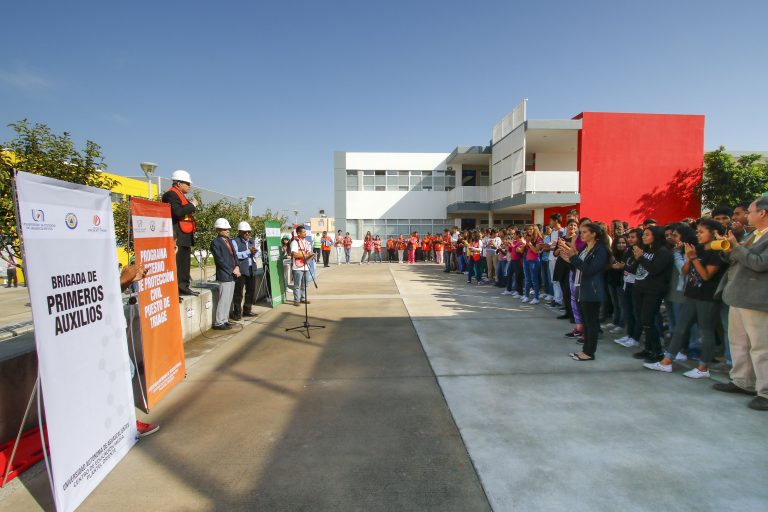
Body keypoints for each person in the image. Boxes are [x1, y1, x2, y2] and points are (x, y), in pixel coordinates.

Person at [644, 218, 726, 378]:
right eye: (698, 231)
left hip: (707, 297)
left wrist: (694, 258)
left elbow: (706, 275)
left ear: (714, 234)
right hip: (691, 294)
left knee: (705, 330)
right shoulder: (699, 249)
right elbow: (685, 270)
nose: (698, 234)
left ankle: (703, 367)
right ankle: (667, 361)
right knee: (680, 328)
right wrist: (690, 258)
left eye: (702, 232)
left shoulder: (717, 253)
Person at [713, 197, 768, 410]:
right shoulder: (754, 234)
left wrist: (736, 247)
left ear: (762, 213)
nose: (748, 215)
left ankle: (764, 392)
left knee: (761, 348)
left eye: (751, 211)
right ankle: (742, 381)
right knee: (739, 343)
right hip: (738, 296)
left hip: (757, 299)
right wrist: (728, 250)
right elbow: (738, 259)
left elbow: (761, 263)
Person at [558, 223, 610, 361]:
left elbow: (590, 270)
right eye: (581, 232)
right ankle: (585, 350)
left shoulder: (601, 250)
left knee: (591, 323)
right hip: (582, 288)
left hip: (592, 290)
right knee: (586, 323)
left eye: (585, 232)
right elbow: (579, 268)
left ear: (594, 234)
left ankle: (589, 352)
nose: (581, 234)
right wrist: (569, 261)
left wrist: (573, 258)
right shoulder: (586, 248)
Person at [120, 263, 159, 437]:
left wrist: (127, 281)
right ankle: (127, 424)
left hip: (113, 329)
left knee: (128, 370)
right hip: (102, 332)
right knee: (127, 371)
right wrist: (123, 279)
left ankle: (126, 421)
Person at [631, 226, 673, 363]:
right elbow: (635, 267)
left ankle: (657, 350)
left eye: (647, 235)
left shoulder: (663, 251)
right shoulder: (645, 249)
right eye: (643, 234)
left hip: (653, 290)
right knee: (642, 319)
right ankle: (648, 348)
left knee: (648, 320)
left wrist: (641, 257)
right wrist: (637, 257)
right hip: (640, 288)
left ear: (656, 236)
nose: (643, 237)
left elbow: (655, 269)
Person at [161, 169, 199, 296]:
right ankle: (177, 290)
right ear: (178, 184)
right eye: (187, 183)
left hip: (184, 236)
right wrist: (192, 205)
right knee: (178, 264)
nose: (189, 186)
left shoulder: (180, 196)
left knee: (184, 264)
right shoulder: (170, 195)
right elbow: (177, 212)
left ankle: (184, 287)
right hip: (178, 235)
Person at [211, 218, 240, 330]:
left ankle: (224, 319)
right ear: (218, 230)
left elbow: (234, 255)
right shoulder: (215, 243)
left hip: (232, 274)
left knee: (228, 299)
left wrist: (237, 266)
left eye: (228, 228)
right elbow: (219, 260)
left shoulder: (229, 241)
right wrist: (231, 270)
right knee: (223, 299)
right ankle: (219, 322)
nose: (228, 230)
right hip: (224, 274)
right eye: (225, 229)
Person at [230, 221, 259, 321]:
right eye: (244, 232)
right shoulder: (235, 241)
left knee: (250, 291)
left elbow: (257, 254)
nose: (247, 234)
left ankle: (247, 310)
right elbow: (235, 255)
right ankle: (237, 313)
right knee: (238, 293)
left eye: (248, 232)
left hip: (251, 269)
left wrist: (255, 252)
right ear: (239, 232)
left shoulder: (252, 241)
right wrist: (247, 252)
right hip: (241, 270)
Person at [290, 225, 314, 306]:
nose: (305, 233)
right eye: (303, 232)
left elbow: (309, 253)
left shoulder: (307, 242)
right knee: (297, 285)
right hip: (297, 267)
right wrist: (305, 255)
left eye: (305, 232)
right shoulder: (295, 242)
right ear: (298, 233)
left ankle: (303, 298)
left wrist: (312, 255)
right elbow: (294, 254)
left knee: (305, 284)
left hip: (306, 266)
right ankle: (296, 300)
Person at [521, 224, 544, 304]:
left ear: (535, 230)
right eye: (528, 229)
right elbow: (523, 250)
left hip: (534, 260)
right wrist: (523, 245)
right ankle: (526, 296)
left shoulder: (539, 239)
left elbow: (536, 251)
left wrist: (529, 243)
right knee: (527, 279)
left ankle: (536, 298)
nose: (529, 230)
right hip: (526, 259)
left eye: (531, 229)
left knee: (534, 280)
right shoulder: (527, 238)